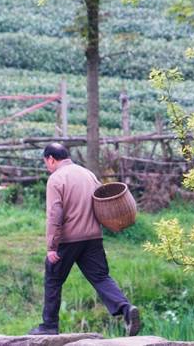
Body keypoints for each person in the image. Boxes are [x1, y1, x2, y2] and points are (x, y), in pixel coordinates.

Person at [28, 143, 140, 336]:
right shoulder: (88, 174)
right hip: (93, 237)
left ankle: (49, 326)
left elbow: (55, 213)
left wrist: (51, 247)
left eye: (46, 162)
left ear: (51, 159)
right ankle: (125, 309)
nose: (47, 166)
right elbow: (101, 202)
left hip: (68, 239)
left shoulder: (56, 179)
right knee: (101, 277)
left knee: (53, 278)